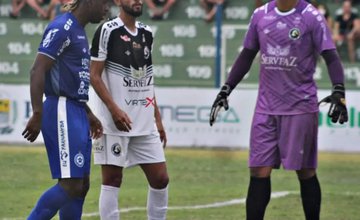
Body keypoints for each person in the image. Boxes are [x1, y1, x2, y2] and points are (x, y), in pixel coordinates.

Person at [209, 0, 348, 220]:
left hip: (300, 107)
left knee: (305, 172)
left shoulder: (311, 16)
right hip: (266, 108)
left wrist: (339, 90)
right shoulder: (260, 15)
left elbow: (330, 56)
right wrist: (226, 88)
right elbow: (247, 54)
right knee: (258, 171)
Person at [21, 0, 108, 219]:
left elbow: (70, 81)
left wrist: (88, 113)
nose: (107, 8)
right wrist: (37, 113)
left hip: (76, 109)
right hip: (61, 110)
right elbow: (37, 70)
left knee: (82, 185)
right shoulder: (62, 27)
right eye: (105, 3)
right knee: (70, 185)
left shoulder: (78, 30)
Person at [90, 0, 169, 219]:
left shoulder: (147, 32)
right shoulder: (107, 30)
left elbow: (146, 79)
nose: (138, 1)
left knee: (160, 179)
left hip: (144, 121)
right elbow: (94, 75)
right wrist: (114, 110)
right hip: (114, 122)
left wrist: (157, 119)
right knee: (113, 180)